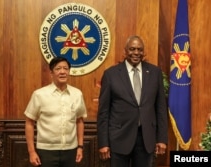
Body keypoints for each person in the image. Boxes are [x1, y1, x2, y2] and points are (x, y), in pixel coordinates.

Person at [97, 35, 168, 167]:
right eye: (132, 49)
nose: (136, 53)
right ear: (125, 51)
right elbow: (103, 112)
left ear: (144, 52)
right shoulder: (111, 74)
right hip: (118, 139)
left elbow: (161, 108)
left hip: (146, 139)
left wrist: (162, 139)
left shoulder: (154, 72)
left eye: (140, 50)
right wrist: (103, 143)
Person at [24, 56, 87, 167]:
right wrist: (32, 152)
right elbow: (29, 123)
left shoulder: (77, 94)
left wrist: (80, 147)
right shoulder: (39, 94)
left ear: (69, 72)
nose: (62, 72)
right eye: (58, 69)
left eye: (65, 68)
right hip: (46, 151)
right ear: (51, 73)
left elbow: (79, 121)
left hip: (71, 150)